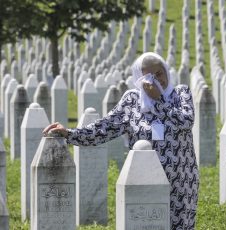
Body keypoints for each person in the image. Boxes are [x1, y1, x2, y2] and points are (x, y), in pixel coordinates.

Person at [43, 52, 199, 229]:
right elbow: (103, 128)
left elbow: (186, 121)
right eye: (149, 76)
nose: (156, 80)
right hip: (143, 179)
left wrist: (160, 100)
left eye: (159, 73)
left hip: (181, 181)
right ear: (139, 79)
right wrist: (69, 133)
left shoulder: (180, 94)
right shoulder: (132, 101)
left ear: (166, 71)